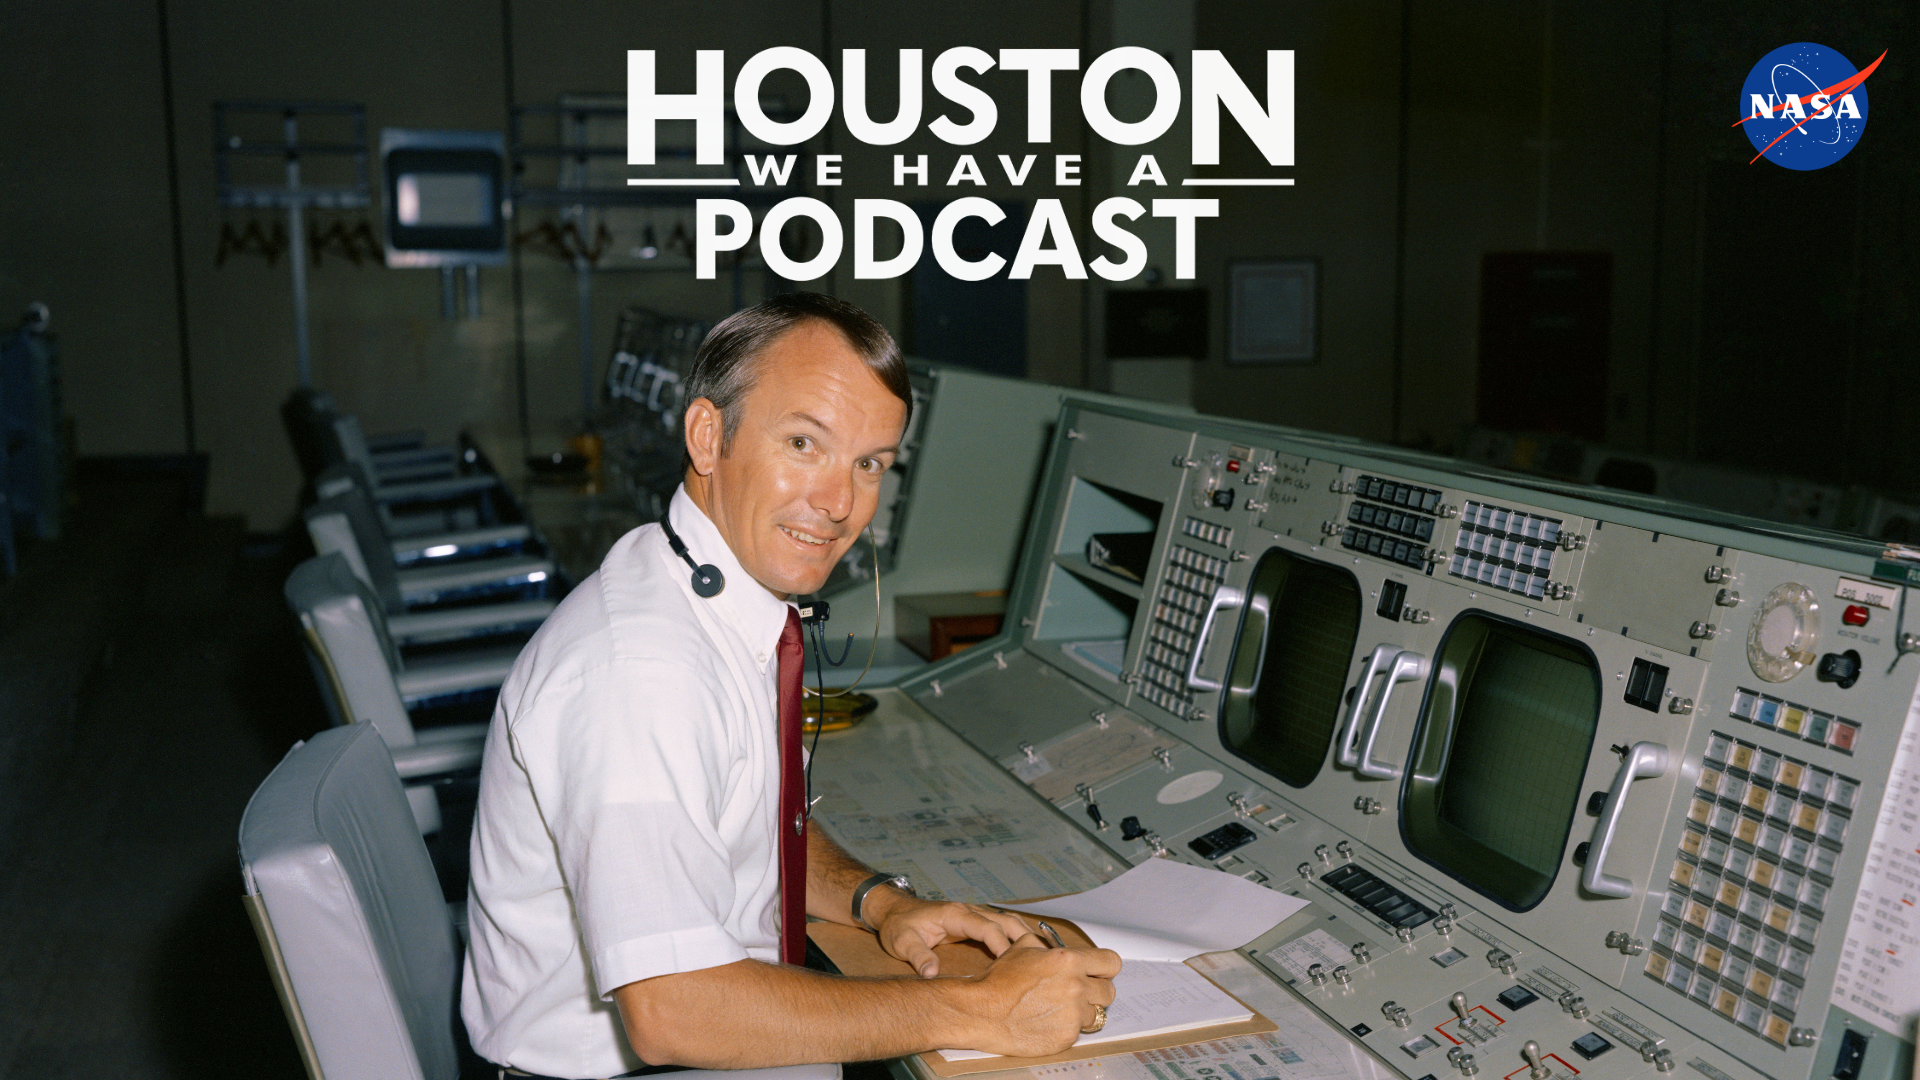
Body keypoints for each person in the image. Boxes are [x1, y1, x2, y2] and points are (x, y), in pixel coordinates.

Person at [463, 292, 1120, 1080]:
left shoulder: (698, 591)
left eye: (870, 463)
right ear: (709, 435)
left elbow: (740, 832)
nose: (842, 504)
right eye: (804, 443)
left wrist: (882, 904)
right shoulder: (641, 675)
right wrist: (979, 1010)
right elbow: (675, 1011)